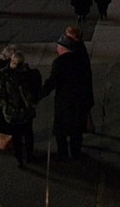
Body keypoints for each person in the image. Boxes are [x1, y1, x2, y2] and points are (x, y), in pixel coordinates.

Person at [41, 27, 94, 162]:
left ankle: (63, 154)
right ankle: (75, 153)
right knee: (76, 130)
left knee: (61, 131)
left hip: (64, 101)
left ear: (64, 48)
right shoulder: (80, 59)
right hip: (79, 99)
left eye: (59, 47)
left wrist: (39, 94)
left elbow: (52, 82)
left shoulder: (60, 62)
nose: (57, 49)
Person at [0, 49, 41, 168]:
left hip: (12, 112)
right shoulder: (29, 74)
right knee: (28, 133)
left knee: (16, 136)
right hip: (25, 111)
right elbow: (34, 92)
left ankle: (19, 160)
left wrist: (5, 105)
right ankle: (29, 156)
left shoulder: (4, 75)